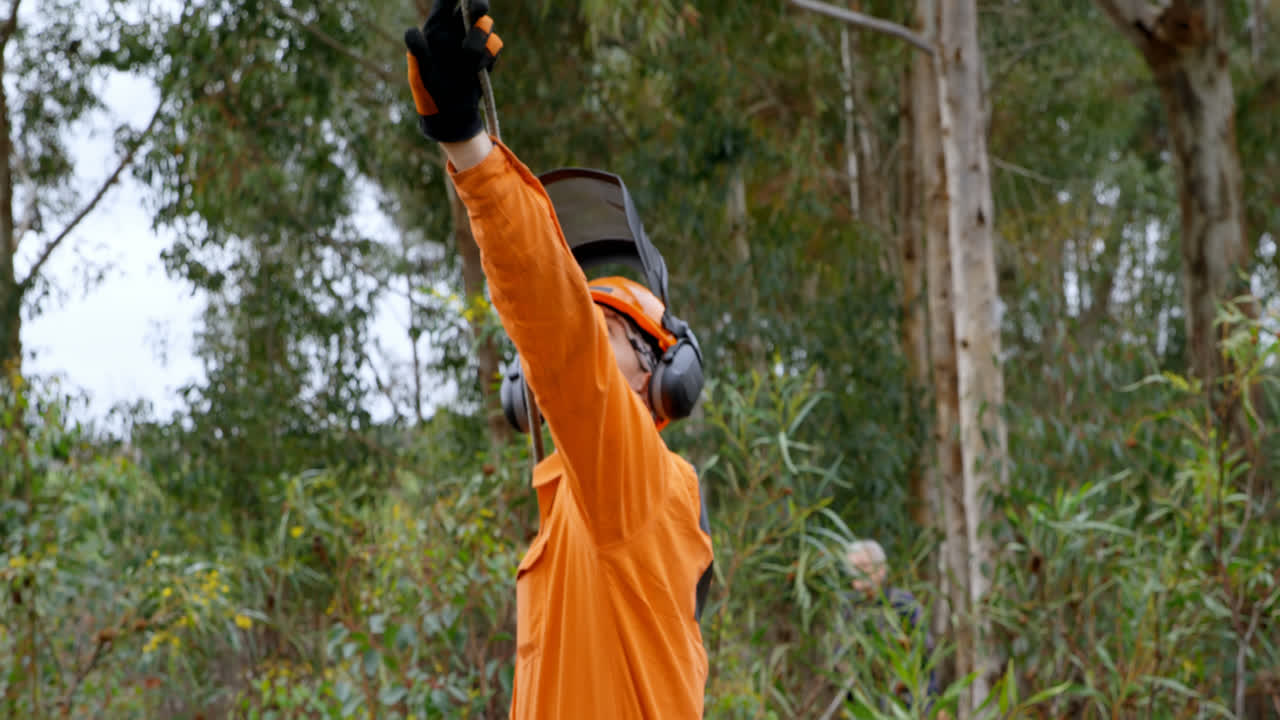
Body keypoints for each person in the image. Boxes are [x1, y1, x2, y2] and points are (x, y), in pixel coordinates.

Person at [401, 2, 715, 718]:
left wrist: (468, 149)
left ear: (663, 378)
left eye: (608, 330)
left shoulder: (642, 489)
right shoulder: (577, 514)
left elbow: (558, 332)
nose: (583, 345)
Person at [842, 539, 940, 714]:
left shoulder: (902, 603)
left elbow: (924, 650)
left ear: (881, 570)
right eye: (852, 569)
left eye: (863, 566)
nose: (857, 575)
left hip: (906, 703)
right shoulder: (847, 609)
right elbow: (839, 656)